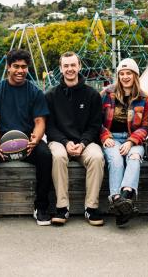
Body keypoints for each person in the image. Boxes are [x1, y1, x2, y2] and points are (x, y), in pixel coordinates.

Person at [0, 49, 52, 227]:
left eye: (23, 67)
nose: (20, 70)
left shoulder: (35, 92)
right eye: (15, 66)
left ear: (27, 68)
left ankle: (41, 207)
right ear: (8, 67)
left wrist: (36, 140)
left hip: (28, 143)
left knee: (46, 156)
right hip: (1, 141)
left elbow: (40, 122)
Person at [46, 52, 105, 226]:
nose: (70, 69)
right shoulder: (51, 95)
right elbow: (50, 127)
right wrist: (65, 142)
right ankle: (62, 208)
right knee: (57, 156)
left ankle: (91, 208)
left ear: (79, 66)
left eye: (73, 65)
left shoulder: (92, 95)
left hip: (85, 142)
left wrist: (83, 143)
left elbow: (95, 125)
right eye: (66, 66)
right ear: (60, 69)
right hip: (60, 141)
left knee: (96, 157)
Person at [100, 58, 148, 226]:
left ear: (135, 75)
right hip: (112, 137)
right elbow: (96, 120)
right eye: (121, 74)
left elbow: (146, 125)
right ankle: (119, 200)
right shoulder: (107, 94)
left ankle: (124, 197)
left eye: (128, 73)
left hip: (133, 139)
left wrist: (131, 141)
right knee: (115, 160)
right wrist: (105, 136)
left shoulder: (144, 98)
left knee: (134, 157)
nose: (125, 77)